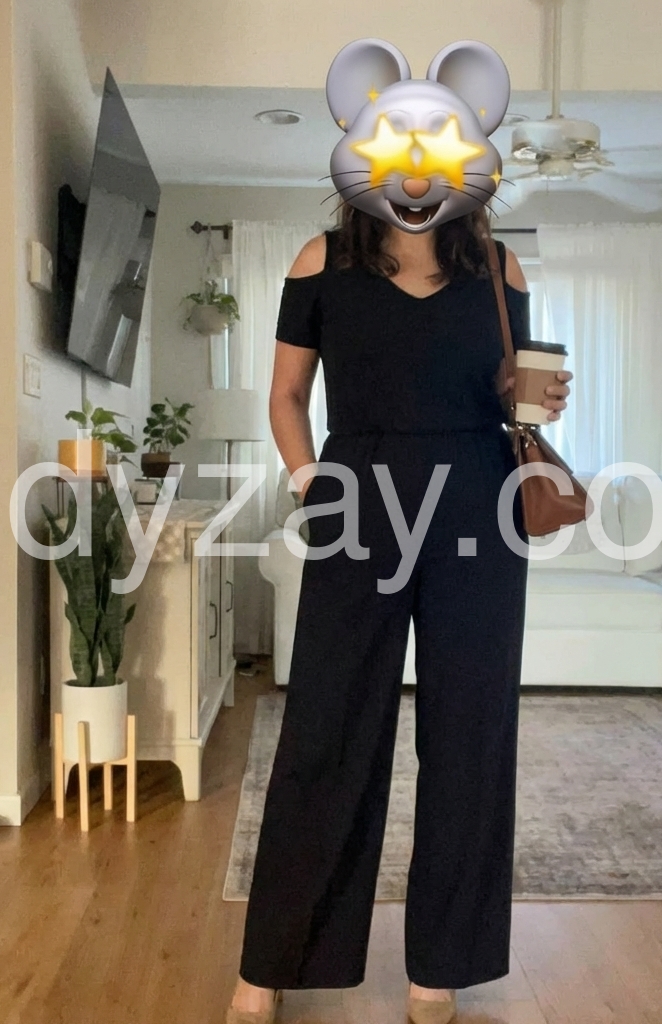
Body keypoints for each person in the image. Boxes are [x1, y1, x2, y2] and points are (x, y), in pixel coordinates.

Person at [227, 203, 571, 1024]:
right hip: (357, 501)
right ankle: (272, 963)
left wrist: (536, 400)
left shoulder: (498, 266)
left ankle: (440, 969)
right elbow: (287, 395)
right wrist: (312, 484)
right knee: (325, 730)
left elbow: (514, 400)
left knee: (470, 736)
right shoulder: (322, 261)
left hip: (480, 503)